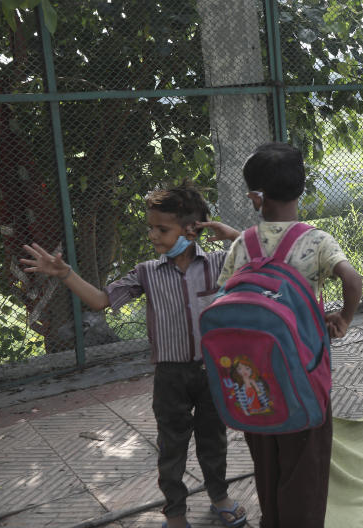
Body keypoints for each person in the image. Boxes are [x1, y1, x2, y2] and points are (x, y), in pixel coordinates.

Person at [20, 183, 247, 528]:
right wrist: (65, 273)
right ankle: (175, 513)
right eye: (150, 228)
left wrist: (233, 234)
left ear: (191, 229)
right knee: (172, 446)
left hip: (213, 371)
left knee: (212, 440)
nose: (153, 235)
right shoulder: (146, 273)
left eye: (162, 229)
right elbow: (99, 300)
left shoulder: (219, 263)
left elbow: (264, 259)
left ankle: (220, 496)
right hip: (170, 376)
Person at [217, 142, 363, 528]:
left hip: (254, 380)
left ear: (254, 197)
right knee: (305, 468)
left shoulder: (241, 243)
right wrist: (344, 319)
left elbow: (224, 297)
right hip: (302, 376)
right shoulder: (316, 240)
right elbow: (352, 279)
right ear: (301, 190)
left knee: (266, 462)